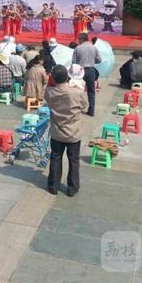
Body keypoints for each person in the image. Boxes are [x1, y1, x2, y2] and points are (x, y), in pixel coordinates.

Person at [45, 65, 88, 197]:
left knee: (55, 158)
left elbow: (48, 97)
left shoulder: (49, 91)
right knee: (73, 160)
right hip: (73, 132)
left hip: (57, 132)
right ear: (67, 76)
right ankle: (72, 188)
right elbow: (85, 107)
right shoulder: (77, 92)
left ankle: (53, 186)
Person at [71, 33, 101, 116]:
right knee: (91, 91)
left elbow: (73, 62)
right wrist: (92, 61)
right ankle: (91, 111)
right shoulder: (94, 48)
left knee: (77, 90)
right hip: (91, 70)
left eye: (78, 39)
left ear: (81, 39)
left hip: (80, 71)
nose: (78, 41)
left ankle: (77, 108)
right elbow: (99, 60)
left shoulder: (78, 48)